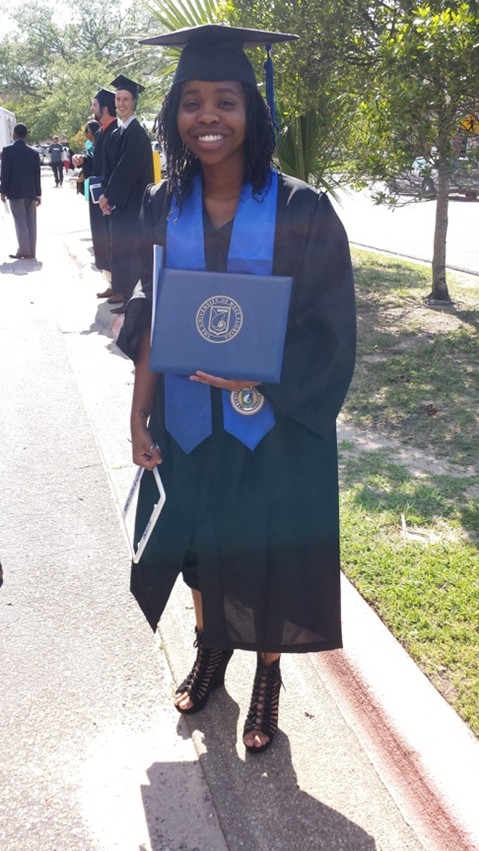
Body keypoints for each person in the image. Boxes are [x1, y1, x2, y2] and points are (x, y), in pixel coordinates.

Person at [117, 24, 356, 754]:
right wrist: (137, 416)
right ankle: (211, 649)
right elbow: (150, 313)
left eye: (225, 99)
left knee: (266, 547)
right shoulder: (164, 203)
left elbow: (331, 327)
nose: (207, 116)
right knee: (199, 544)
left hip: (271, 422)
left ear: (253, 111)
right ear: (174, 115)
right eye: (191, 102)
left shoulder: (302, 208)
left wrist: (267, 370)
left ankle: (267, 677)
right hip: (187, 419)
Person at [98, 75, 154, 314]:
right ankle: (119, 288)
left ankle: (130, 296)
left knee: (130, 248)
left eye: (126, 99)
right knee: (118, 244)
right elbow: (110, 168)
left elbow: (127, 170)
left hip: (133, 202)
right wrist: (105, 194)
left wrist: (109, 195)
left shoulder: (137, 134)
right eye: (118, 99)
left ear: (134, 102)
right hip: (120, 201)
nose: (121, 103)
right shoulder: (118, 132)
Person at [74, 89, 118, 293]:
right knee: (102, 239)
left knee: (113, 241)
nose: (92, 109)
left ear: (105, 108)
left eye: (94, 105)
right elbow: (99, 164)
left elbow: (116, 167)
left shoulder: (117, 131)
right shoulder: (101, 132)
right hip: (98, 194)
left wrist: (109, 194)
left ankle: (119, 286)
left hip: (110, 196)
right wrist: (85, 160)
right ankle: (110, 283)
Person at [1, 122, 41, 260]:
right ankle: (31, 250)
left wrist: (3, 191)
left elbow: (5, 172)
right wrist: (38, 194)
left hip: (15, 192)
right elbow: (37, 174)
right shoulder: (33, 153)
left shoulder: (7, 151)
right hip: (30, 192)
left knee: (20, 221)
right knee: (31, 221)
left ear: (14, 134)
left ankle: (24, 250)